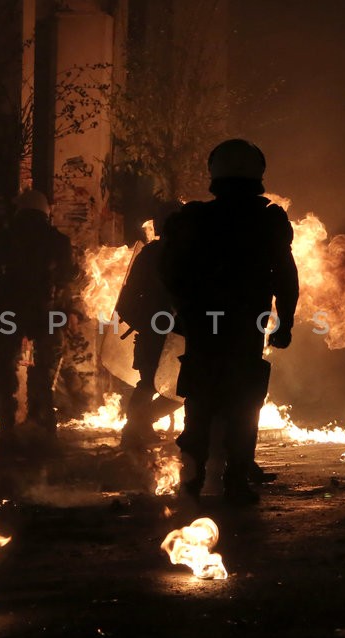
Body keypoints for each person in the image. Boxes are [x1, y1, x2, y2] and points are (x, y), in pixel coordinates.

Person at [160, 139, 299, 505]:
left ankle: (190, 482)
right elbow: (286, 276)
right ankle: (236, 482)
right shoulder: (268, 221)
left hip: (205, 329)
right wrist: (285, 323)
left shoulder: (194, 220)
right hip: (244, 328)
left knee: (201, 403)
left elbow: (169, 273)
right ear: (257, 174)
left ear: (214, 174)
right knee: (243, 405)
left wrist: (186, 311)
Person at [0, 189, 77, 432]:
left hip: (10, 310)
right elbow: (67, 277)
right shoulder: (58, 240)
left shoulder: (6, 237)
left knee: (6, 366)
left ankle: (7, 422)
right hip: (46, 312)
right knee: (44, 368)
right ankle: (41, 421)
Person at [115, 208, 182, 450]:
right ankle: (136, 428)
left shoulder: (150, 254)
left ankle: (137, 427)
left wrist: (144, 322)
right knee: (165, 385)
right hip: (172, 331)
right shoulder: (185, 254)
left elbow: (128, 298)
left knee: (154, 384)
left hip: (167, 330)